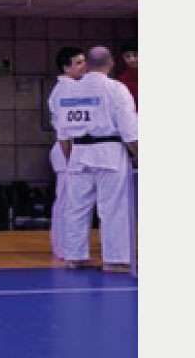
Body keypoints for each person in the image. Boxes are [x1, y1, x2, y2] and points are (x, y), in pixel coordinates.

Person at [52, 46, 138, 271]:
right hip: (109, 150)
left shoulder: (68, 91)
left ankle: (75, 256)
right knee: (113, 208)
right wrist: (138, 154)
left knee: (77, 207)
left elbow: (62, 132)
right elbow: (129, 129)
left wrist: (72, 158)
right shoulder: (116, 89)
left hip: (78, 151)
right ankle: (115, 259)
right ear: (111, 64)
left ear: (87, 65)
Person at [47, 46, 87, 260]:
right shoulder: (65, 89)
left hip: (73, 148)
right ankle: (62, 248)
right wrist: (69, 155)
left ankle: (66, 247)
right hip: (66, 148)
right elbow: (65, 128)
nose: (84, 66)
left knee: (71, 201)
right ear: (66, 67)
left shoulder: (72, 87)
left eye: (84, 61)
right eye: (78, 62)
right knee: (66, 201)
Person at [117, 41, 138, 110]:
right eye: (127, 56)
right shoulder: (122, 80)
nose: (132, 59)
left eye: (135, 55)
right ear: (123, 58)